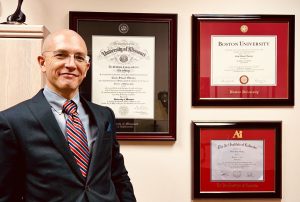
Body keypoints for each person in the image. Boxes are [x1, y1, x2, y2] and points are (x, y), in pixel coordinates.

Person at [0, 29, 136, 202]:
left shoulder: (104, 116)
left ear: (86, 68)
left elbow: (119, 176)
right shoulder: (11, 121)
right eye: (61, 55)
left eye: (79, 57)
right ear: (42, 63)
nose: (71, 64)